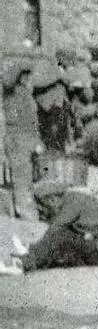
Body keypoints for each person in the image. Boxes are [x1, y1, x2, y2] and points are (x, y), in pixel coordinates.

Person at [2, 181, 98, 275]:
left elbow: (54, 229)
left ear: (52, 199)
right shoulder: (74, 198)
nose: (44, 211)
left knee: (60, 235)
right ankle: (31, 257)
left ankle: (23, 263)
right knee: (62, 244)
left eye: (44, 206)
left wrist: (35, 248)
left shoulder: (72, 202)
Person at [3, 62, 42, 221]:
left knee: (25, 177)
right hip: (17, 139)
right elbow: (8, 79)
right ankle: (25, 212)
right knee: (21, 176)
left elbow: (31, 121)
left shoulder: (24, 94)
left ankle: (25, 209)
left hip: (25, 139)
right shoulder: (13, 92)